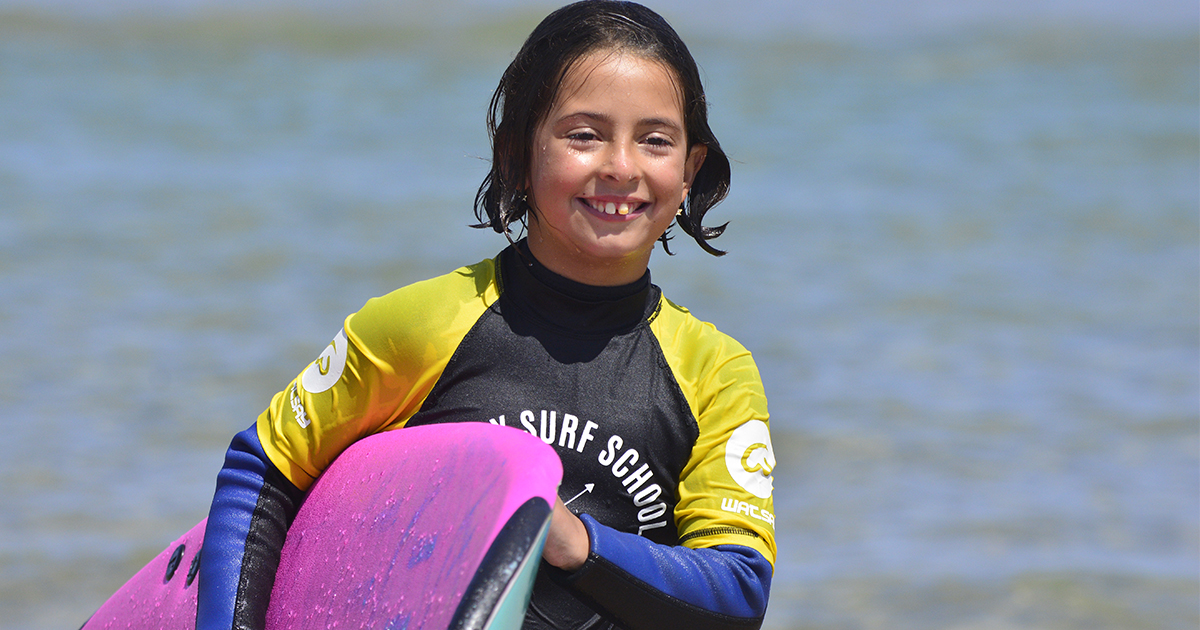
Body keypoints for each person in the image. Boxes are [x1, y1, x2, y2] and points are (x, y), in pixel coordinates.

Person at [195, 2, 777, 629]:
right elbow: (264, 472)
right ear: (517, 153)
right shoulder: (422, 325)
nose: (621, 166)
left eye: (656, 140)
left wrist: (570, 540)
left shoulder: (715, 372)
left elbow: (737, 594)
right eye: (584, 134)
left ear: (689, 171)